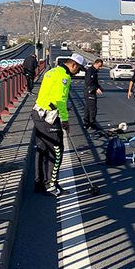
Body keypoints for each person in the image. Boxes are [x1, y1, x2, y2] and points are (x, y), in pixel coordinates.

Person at [32, 53, 84, 196]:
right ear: (73, 65)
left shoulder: (51, 71)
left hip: (38, 112)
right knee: (56, 150)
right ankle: (51, 184)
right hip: (48, 116)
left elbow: (49, 93)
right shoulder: (64, 77)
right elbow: (60, 100)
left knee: (42, 148)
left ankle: (39, 182)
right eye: (78, 68)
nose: (78, 72)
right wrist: (65, 120)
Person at [83, 59, 103, 130]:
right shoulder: (90, 71)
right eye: (99, 66)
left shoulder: (94, 71)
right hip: (89, 91)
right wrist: (95, 88)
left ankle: (87, 123)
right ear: (96, 63)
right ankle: (92, 123)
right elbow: (89, 82)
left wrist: (99, 87)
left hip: (91, 91)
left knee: (88, 107)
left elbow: (95, 82)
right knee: (92, 108)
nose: (100, 68)